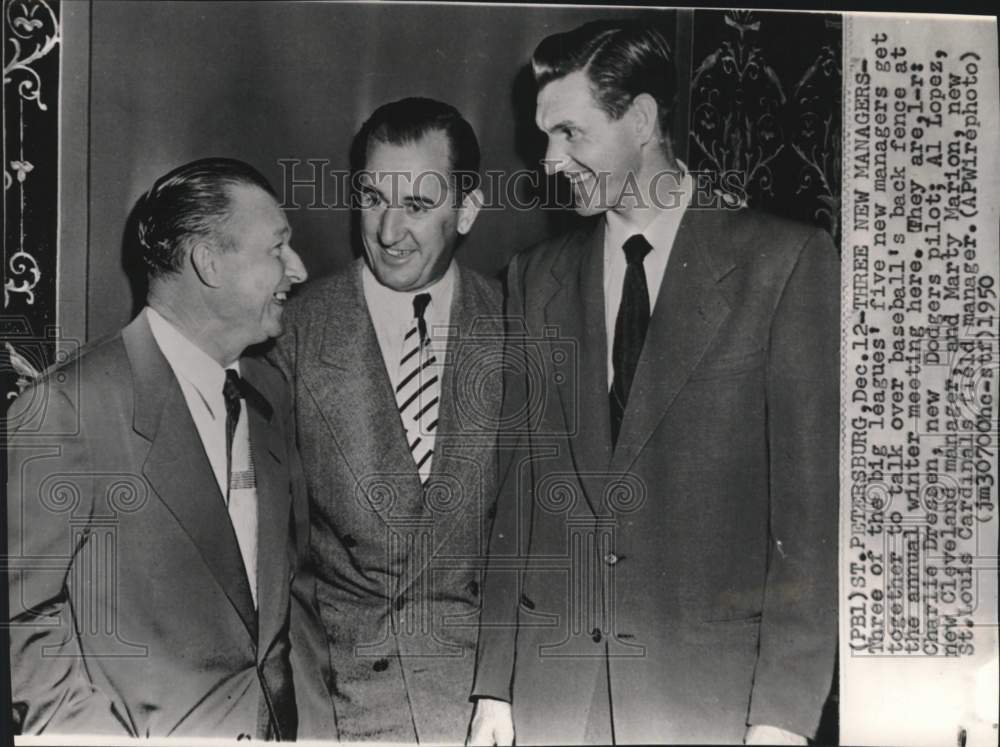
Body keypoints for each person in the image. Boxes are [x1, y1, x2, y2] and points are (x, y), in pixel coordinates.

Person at [468, 20, 839, 746]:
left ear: (640, 120)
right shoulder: (535, 278)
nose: (549, 158)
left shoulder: (784, 263)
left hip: (712, 701)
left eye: (571, 132)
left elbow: (809, 518)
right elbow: (516, 490)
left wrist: (783, 717)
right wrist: (494, 687)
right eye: (546, 135)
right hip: (553, 695)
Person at [6, 158, 336, 739]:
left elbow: (294, 594)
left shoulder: (270, 390)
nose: (299, 269)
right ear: (208, 264)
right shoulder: (67, 409)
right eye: (277, 249)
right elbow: (18, 621)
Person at [271, 97, 502, 743]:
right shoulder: (289, 334)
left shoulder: (520, 325)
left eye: (420, 206)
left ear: (468, 209)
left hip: (491, 709)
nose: (389, 230)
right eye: (374, 197)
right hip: (344, 706)